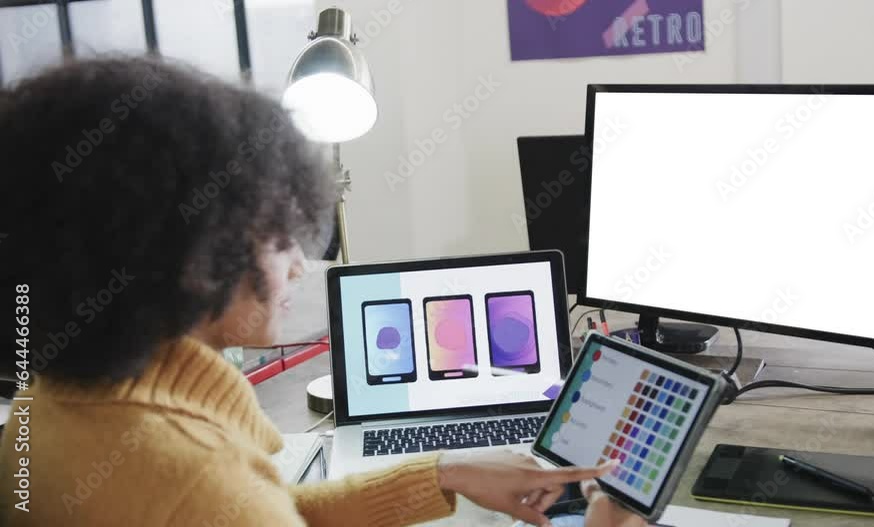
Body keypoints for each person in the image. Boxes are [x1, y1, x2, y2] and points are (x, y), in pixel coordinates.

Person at [0, 56, 645, 527]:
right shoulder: (189, 475)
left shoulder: (48, 401)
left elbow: (263, 511)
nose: (301, 269)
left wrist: (443, 474)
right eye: (280, 238)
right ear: (191, 254)